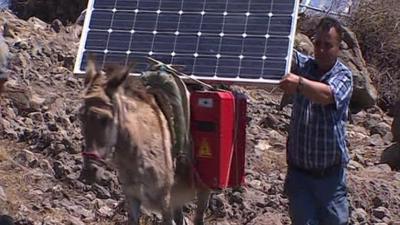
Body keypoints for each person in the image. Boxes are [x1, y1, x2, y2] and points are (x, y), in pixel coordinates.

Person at [279, 17, 353, 225]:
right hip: (299, 176)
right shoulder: (304, 66)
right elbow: (280, 53)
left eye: (328, 45)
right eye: (317, 43)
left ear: (339, 47)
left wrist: (299, 83)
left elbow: (327, 95)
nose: (321, 49)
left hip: (330, 179)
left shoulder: (343, 75)